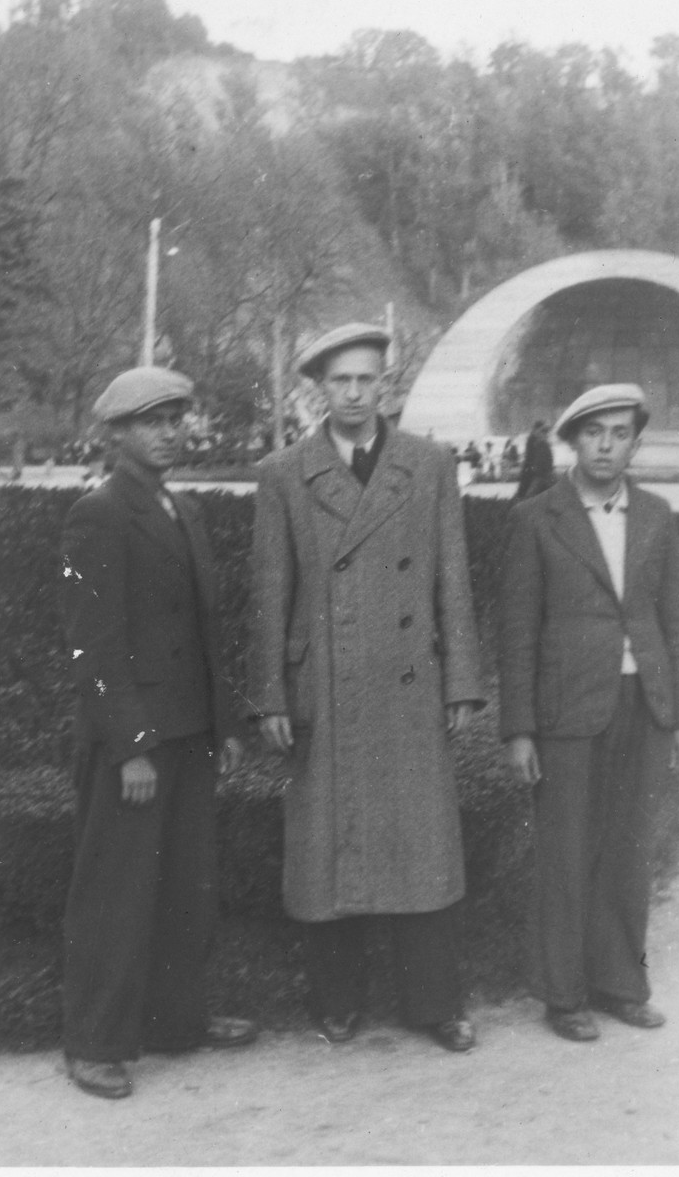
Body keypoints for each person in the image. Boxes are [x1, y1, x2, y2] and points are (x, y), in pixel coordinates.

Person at [251, 323, 485, 1052]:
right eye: (339, 382)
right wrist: (269, 694)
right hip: (324, 681)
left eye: (367, 380)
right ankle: (338, 1001)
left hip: (410, 682)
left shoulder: (430, 464)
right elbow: (268, 593)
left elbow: (452, 581)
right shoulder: (283, 473)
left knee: (421, 844)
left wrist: (462, 683)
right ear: (317, 390)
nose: (354, 394)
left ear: (387, 384)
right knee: (330, 847)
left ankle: (434, 1004)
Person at [60, 366, 258, 1100]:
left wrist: (225, 724)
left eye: (177, 416)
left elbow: (203, 630)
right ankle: (94, 1044)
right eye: (152, 420)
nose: (171, 430)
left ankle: (176, 1023)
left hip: (190, 734)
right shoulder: (99, 513)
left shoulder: (182, 508)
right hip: (133, 746)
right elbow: (92, 645)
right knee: (114, 893)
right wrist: (131, 746)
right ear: (115, 435)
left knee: (185, 888)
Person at [497, 384, 679, 1042]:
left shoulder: (654, 514)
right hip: (564, 709)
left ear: (634, 442)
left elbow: (674, 619)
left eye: (619, 433)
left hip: (637, 703)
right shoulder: (536, 518)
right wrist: (519, 729)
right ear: (571, 440)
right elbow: (517, 630)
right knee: (565, 851)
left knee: (626, 847)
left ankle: (620, 983)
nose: (607, 445)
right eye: (594, 433)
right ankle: (563, 995)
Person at [516, 420, 554, 500]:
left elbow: (547, 461)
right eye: (543, 431)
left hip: (540, 474)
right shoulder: (534, 441)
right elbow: (530, 458)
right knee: (529, 495)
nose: (545, 434)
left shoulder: (542, 443)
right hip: (536, 473)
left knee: (530, 496)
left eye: (545, 432)